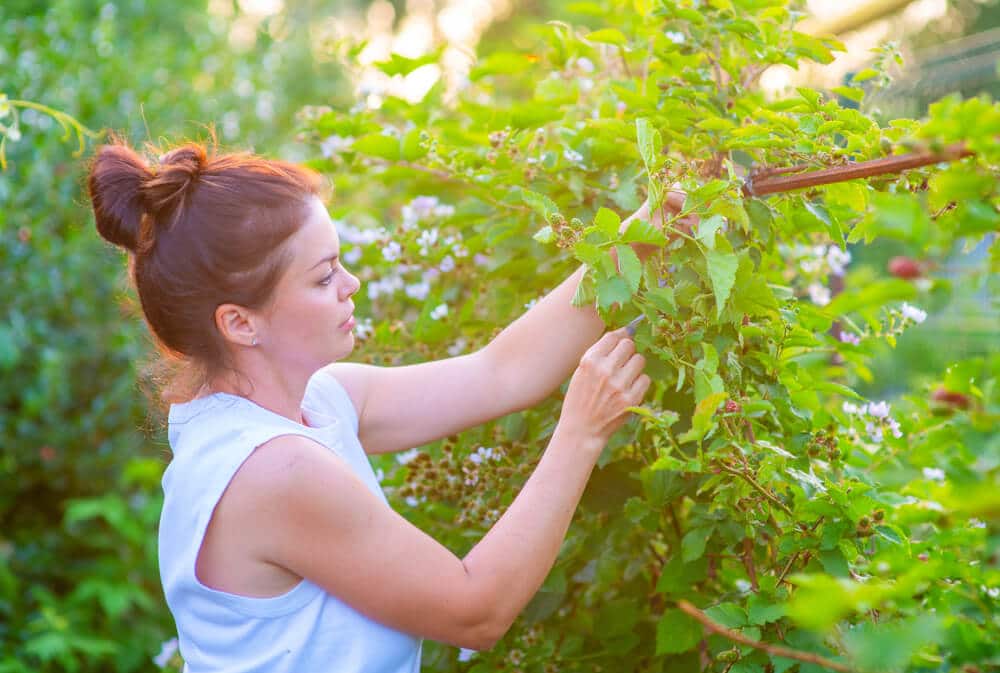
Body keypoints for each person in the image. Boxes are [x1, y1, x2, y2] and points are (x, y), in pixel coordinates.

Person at [86, 139, 680, 673]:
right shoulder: (272, 470)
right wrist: (582, 431)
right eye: (323, 277)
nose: (352, 285)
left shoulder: (317, 402)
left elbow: (501, 372)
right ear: (240, 322)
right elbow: (475, 611)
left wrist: (646, 232)